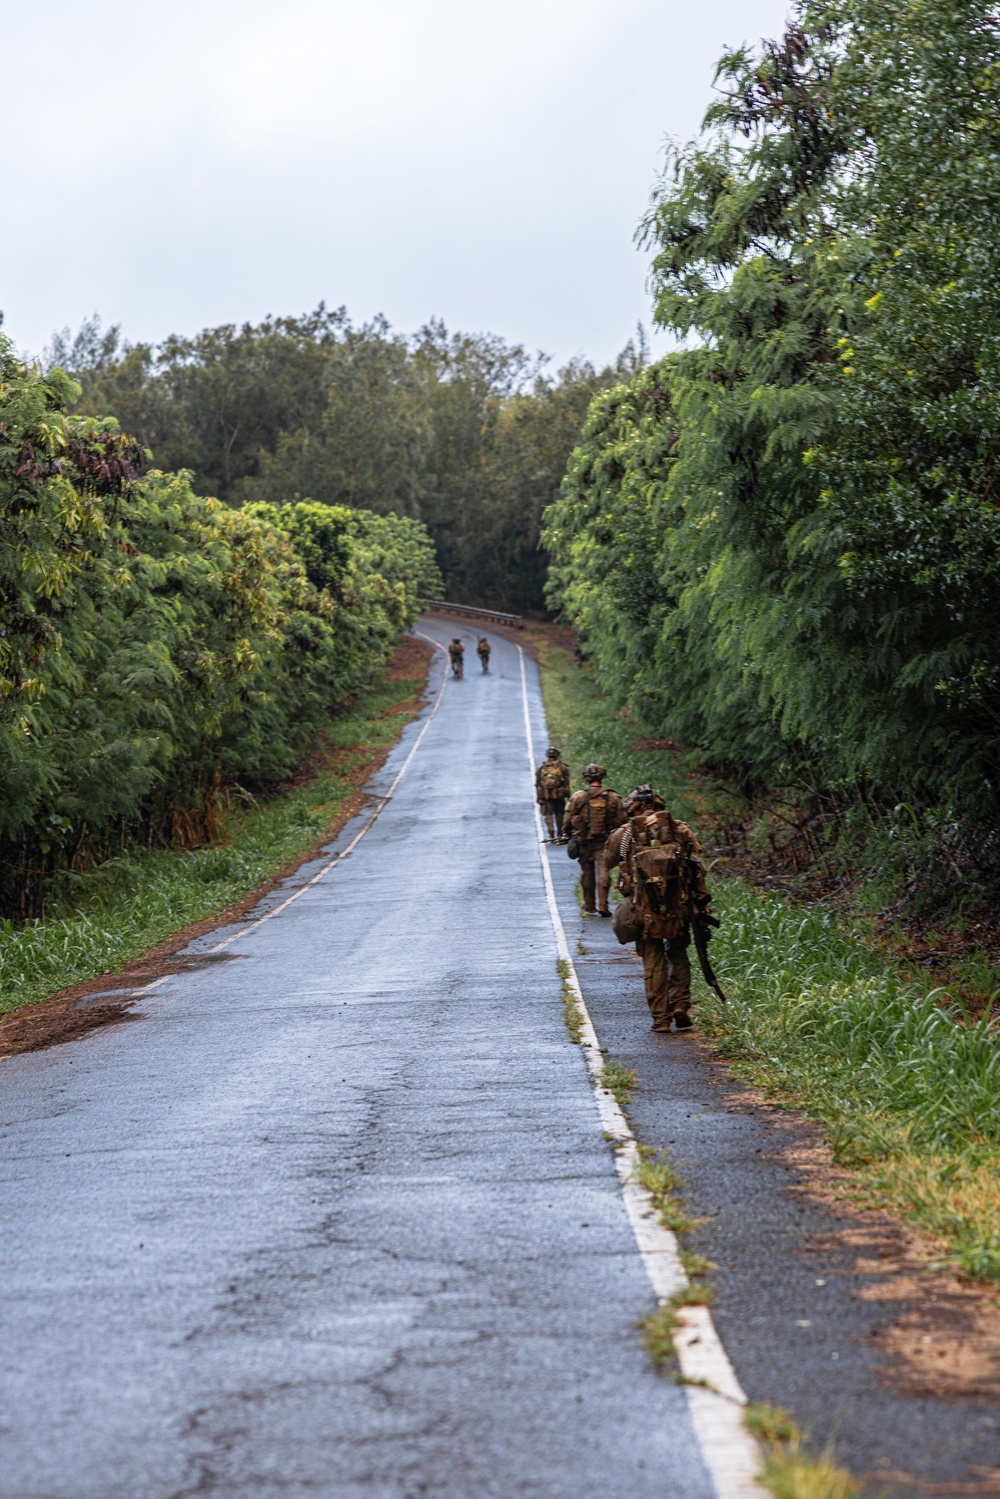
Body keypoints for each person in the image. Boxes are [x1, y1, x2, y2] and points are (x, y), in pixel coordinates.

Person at [604, 787, 709, 1033]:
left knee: (653, 961)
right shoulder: (679, 828)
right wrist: (699, 899)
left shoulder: (625, 834)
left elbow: (608, 861)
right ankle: (681, 1004)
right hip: (678, 905)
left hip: (643, 909)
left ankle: (660, 1019)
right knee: (678, 953)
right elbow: (698, 866)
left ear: (633, 807)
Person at [564, 764, 626, 915]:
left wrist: (566, 833)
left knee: (587, 872)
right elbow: (623, 820)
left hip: (584, 841)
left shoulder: (578, 797)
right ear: (603, 776)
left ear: (586, 778)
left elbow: (567, 817)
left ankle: (590, 905)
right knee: (604, 870)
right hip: (605, 841)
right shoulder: (613, 797)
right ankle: (604, 905)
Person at [535, 745, 571, 841]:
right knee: (559, 814)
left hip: (546, 795)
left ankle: (551, 834)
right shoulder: (562, 767)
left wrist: (539, 797)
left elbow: (538, 783)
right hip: (559, 795)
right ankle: (559, 834)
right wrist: (568, 796)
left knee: (548, 814)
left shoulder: (542, 767)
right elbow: (566, 783)